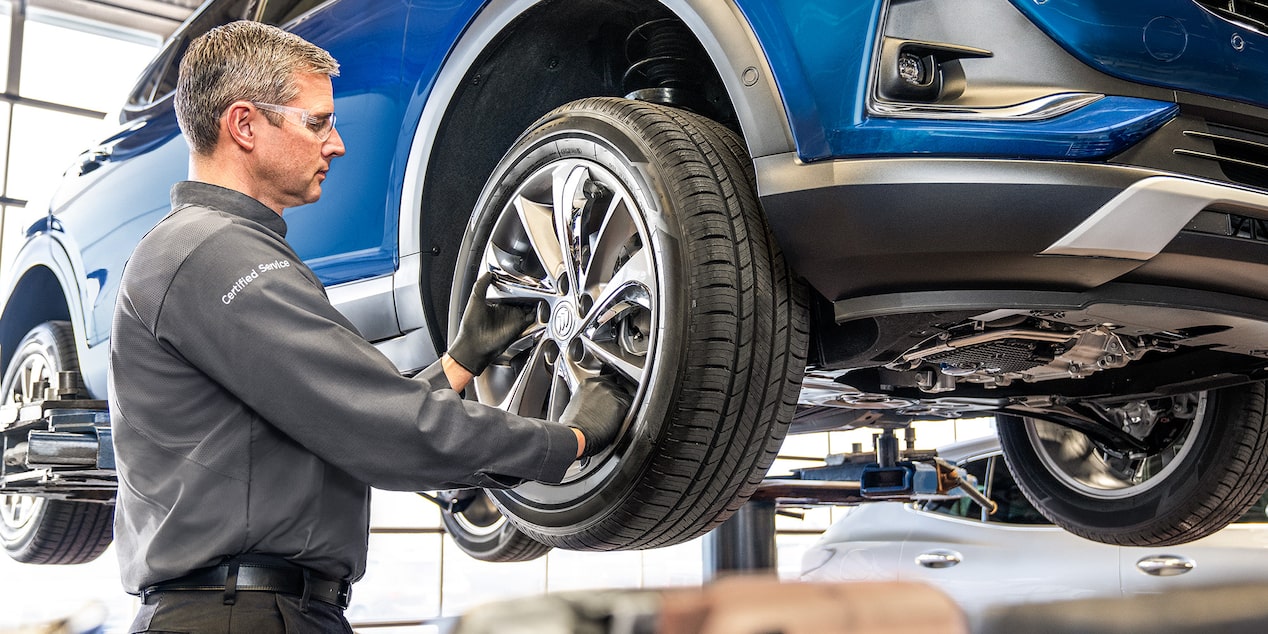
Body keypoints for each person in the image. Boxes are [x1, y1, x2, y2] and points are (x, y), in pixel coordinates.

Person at [108, 20, 629, 633]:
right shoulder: (212, 252)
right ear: (244, 125)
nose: (337, 145)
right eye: (317, 122)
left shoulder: (219, 251)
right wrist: (564, 441)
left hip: (261, 610)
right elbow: (383, 428)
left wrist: (462, 360)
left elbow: (343, 418)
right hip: (239, 615)